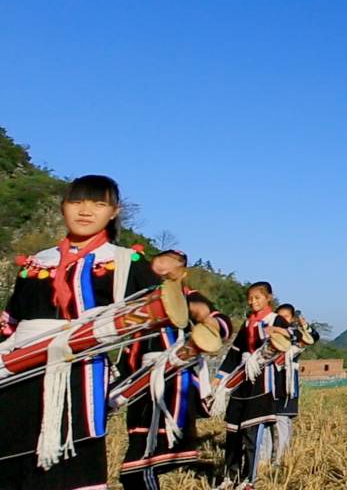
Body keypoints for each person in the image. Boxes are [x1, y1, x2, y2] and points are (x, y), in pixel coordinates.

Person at [0, 175, 161, 490]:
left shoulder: (126, 263)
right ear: (62, 207)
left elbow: (153, 326)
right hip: (19, 376)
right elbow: (11, 325)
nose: (85, 211)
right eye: (77, 202)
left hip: (79, 377)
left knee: (73, 462)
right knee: (12, 456)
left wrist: (123, 389)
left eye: (98, 203)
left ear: (113, 212)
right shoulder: (35, 264)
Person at [118, 249, 206, 490]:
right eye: (161, 260)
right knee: (138, 462)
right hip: (139, 381)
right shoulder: (142, 298)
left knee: (139, 464)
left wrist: (207, 326)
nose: (165, 266)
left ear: (183, 271)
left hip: (169, 379)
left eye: (173, 263)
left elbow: (219, 323)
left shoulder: (189, 296)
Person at [217, 281, 289, 488]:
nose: (253, 302)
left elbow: (295, 337)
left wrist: (281, 332)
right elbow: (235, 351)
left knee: (251, 433)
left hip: (261, 380)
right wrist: (220, 377)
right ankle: (230, 476)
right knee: (233, 431)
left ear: (268, 298)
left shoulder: (275, 320)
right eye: (250, 298)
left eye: (257, 297)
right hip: (241, 378)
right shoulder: (248, 323)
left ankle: (249, 479)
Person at [268, 303, 316, 464]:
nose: (282, 320)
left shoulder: (296, 336)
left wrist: (305, 326)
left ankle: (280, 458)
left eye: (286, 317)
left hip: (287, 386)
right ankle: (270, 458)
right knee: (271, 422)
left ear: (292, 319)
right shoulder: (270, 336)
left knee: (283, 421)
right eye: (279, 317)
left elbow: (312, 337)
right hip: (271, 384)